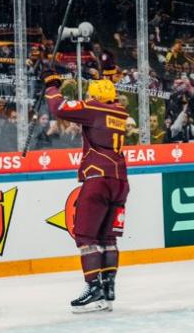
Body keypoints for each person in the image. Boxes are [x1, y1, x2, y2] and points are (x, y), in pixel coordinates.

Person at [43, 71, 130, 313]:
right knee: (108, 237)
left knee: (86, 236)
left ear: (96, 96)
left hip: (97, 178)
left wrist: (52, 86)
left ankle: (93, 288)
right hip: (120, 180)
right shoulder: (120, 112)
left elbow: (59, 107)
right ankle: (108, 288)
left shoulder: (94, 109)